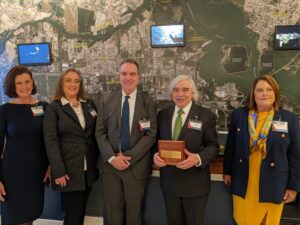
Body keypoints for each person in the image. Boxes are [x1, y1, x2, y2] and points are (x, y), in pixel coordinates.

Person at [223, 75, 300, 225]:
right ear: (253, 94)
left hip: (273, 183)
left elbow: (296, 155)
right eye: (260, 90)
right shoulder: (239, 115)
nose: (264, 93)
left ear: (275, 93)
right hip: (244, 181)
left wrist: (293, 187)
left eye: (269, 89)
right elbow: (230, 146)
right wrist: (227, 171)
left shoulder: (289, 118)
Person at [95, 58, 157, 225]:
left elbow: (150, 135)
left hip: (136, 167)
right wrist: (112, 158)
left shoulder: (148, 102)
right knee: (113, 214)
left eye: (132, 74)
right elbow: (100, 133)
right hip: (110, 167)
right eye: (124, 73)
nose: (128, 77)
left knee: (134, 214)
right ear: (119, 76)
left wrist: (128, 158)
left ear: (139, 77)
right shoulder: (106, 100)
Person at [153, 75, 219, 225]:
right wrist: (155, 156)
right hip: (170, 183)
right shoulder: (162, 115)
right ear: (171, 94)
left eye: (185, 90)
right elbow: (155, 143)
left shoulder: (205, 115)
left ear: (193, 93)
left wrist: (197, 158)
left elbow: (213, 146)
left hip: (195, 184)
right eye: (175, 90)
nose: (180, 94)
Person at [43, 68, 99, 225]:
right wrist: (59, 171)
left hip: (89, 170)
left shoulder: (89, 104)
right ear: (61, 83)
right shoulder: (54, 108)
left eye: (77, 81)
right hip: (67, 171)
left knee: (81, 212)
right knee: (72, 215)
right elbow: (51, 141)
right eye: (68, 80)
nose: (73, 84)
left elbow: (97, 132)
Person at [0, 66, 50, 225]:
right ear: (12, 86)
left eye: (27, 81)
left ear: (32, 82)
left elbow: (50, 140)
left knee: (29, 216)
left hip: (36, 172)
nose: (24, 86)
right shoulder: (5, 110)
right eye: (19, 83)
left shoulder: (43, 107)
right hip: (12, 174)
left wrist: (50, 165)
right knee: (13, 217)